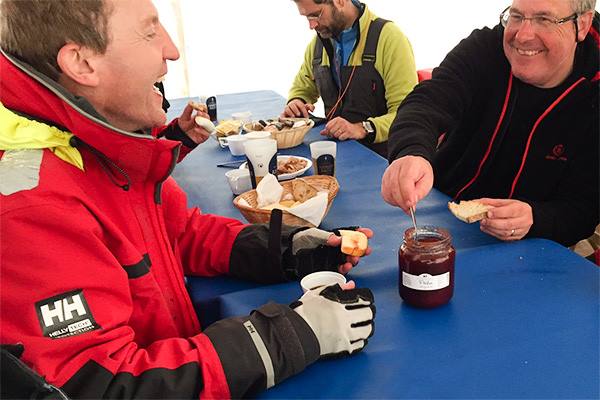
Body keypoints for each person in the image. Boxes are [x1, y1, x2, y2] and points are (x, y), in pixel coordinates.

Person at [0, 1, 376, 398]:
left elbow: (181, 234)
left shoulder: (98, 145)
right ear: (81, 63)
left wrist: (287, 250)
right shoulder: (31, 208)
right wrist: (293, 335)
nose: (171, 50)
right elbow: (105, 387)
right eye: (149, 31)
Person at [382, 0, 599, 247]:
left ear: (582, 25)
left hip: (536, 244)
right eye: (516, 16)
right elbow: (428, 101)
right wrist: (411, 152)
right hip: (441, 212)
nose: (523, 35)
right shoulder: (484, 48)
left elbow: (583, 209)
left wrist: (535, 218)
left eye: (544, 19)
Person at [282, 0, 418, 157]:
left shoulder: (390, 38)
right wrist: (296, 101)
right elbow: (303, 87)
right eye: (307, 17)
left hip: (383, 159)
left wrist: (363, 128)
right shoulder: (317, 44)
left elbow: (408, 114)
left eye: (316, 15)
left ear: (340, 1)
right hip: (336, 155)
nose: (312, 25)